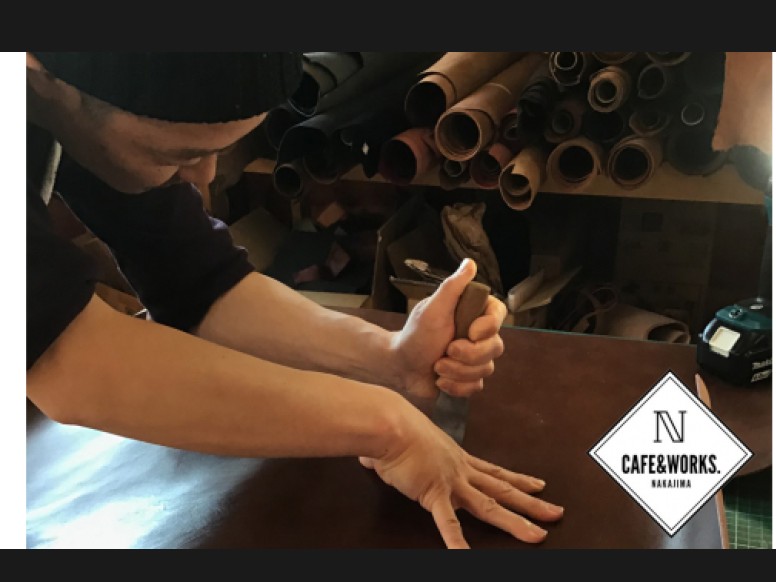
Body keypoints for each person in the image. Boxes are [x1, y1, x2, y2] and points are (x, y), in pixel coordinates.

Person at [25, 52, 564, 549]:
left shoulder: (91, 96)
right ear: (38, 73)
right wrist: (387, 428)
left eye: (217, 152)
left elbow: (200, 284)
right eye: (177, 154)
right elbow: (67, 359)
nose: (204, 178)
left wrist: (388, 357)